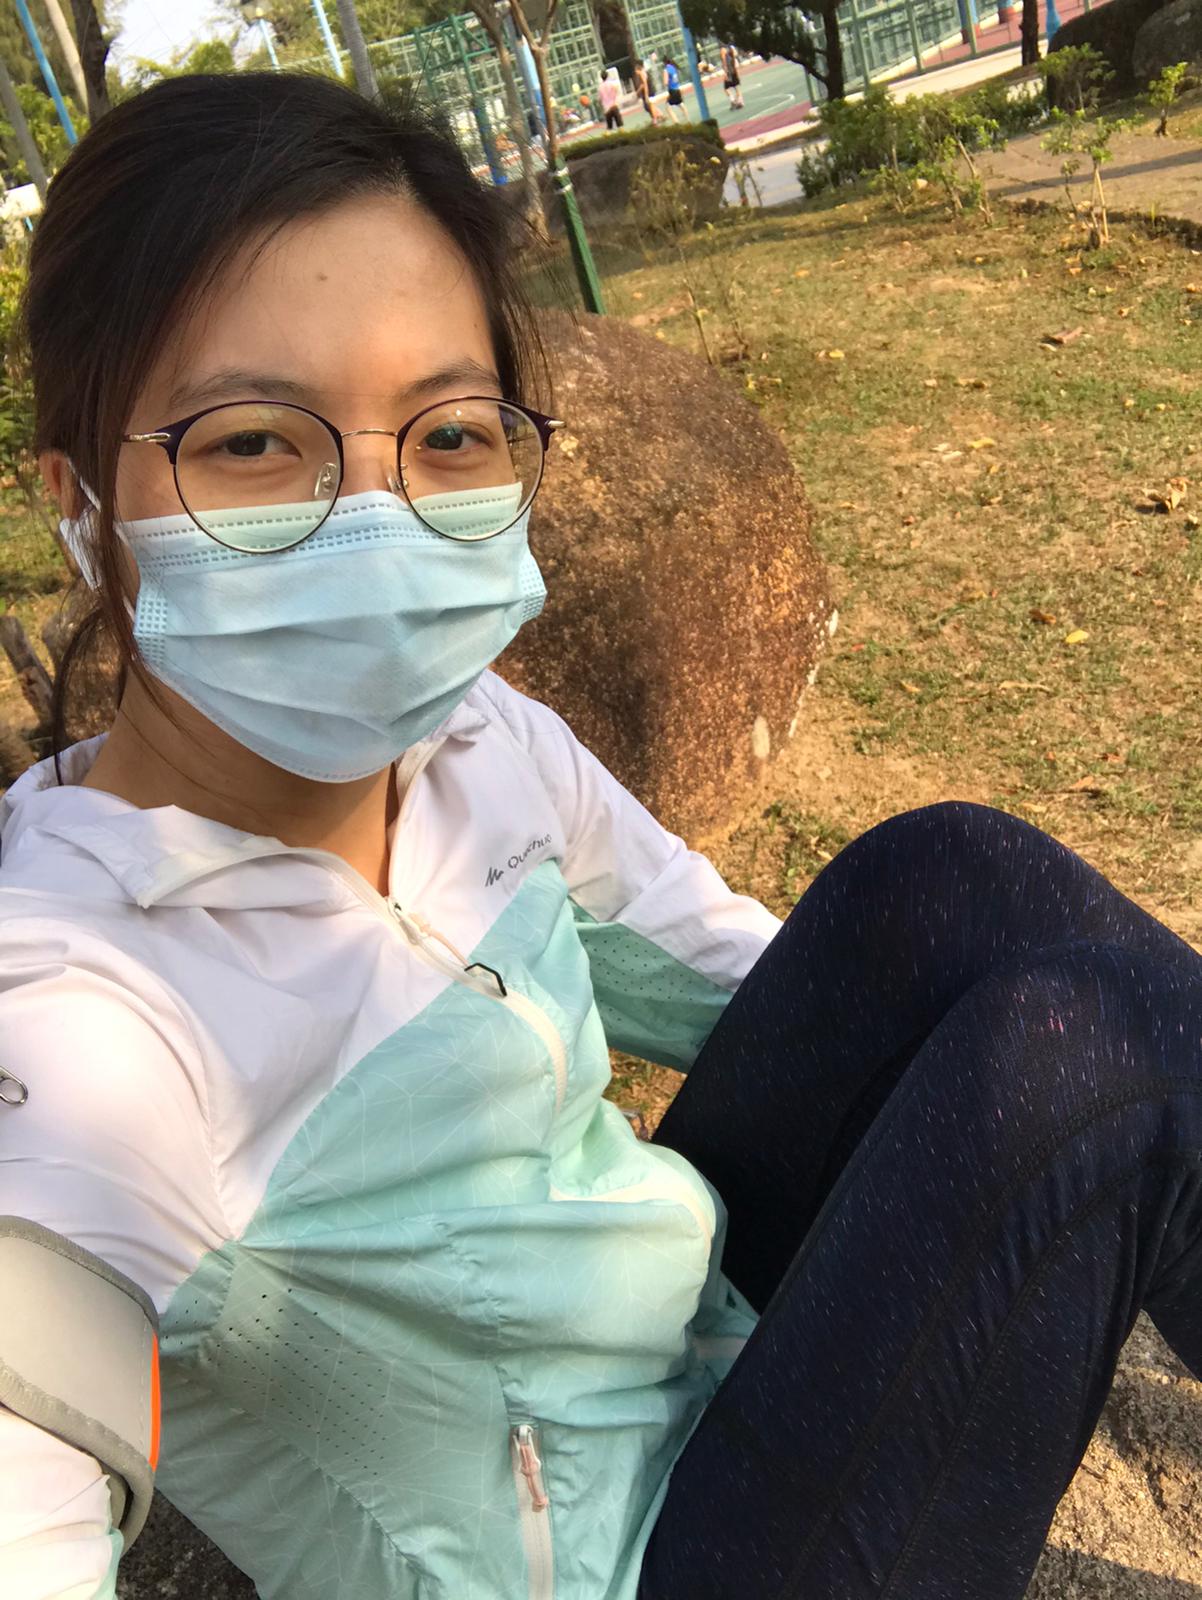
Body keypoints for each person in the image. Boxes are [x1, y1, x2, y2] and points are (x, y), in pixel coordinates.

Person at [4, 68, 1202, 1600]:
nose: (377, 522)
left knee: (948, 878)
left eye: (445, 432)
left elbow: (760, 980)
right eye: (250, 443)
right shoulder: (77, 1018)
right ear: (79, 503)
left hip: (702, 1372)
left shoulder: (471, 746)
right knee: (1075, 1072)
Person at [633, 58, 660, 123]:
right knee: (649, 106)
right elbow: (643, 85)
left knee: (651, 106)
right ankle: (658, 116)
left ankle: (655, 120)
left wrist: (646, 95)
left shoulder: (642, 73)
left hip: (649, 91)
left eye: (636, 70)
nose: (635, 71)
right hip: (650, 91)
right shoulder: (643, 72)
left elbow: (645, 85)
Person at [720, 43, 745, 110]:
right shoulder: (730, 50)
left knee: (726, 88)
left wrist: (725, 72)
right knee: (735, 87)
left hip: (729, 72)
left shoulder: (723, 51)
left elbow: (725, 62)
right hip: (733, 70)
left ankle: (733, 100)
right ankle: (739, 101)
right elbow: (734, 59)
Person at [599, 67, 623, 132]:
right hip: (613, 105)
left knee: (609, 127)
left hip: (607, 108)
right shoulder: (611, 84)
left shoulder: (600, 87)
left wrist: (602, 107)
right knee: (620, 125)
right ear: (607, 76)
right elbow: (616, 90)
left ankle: (608, 134)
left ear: (601, 77)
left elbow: (600, 99)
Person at [662, 56, 685, 123]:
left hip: (672, 89)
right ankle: (687, 118)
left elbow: (666, 82)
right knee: (680, 104)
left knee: (668, 107)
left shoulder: (666, 70)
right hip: (677, 88)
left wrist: (665, 83)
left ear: (664, 62)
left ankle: (676, 122)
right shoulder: (673, 68)